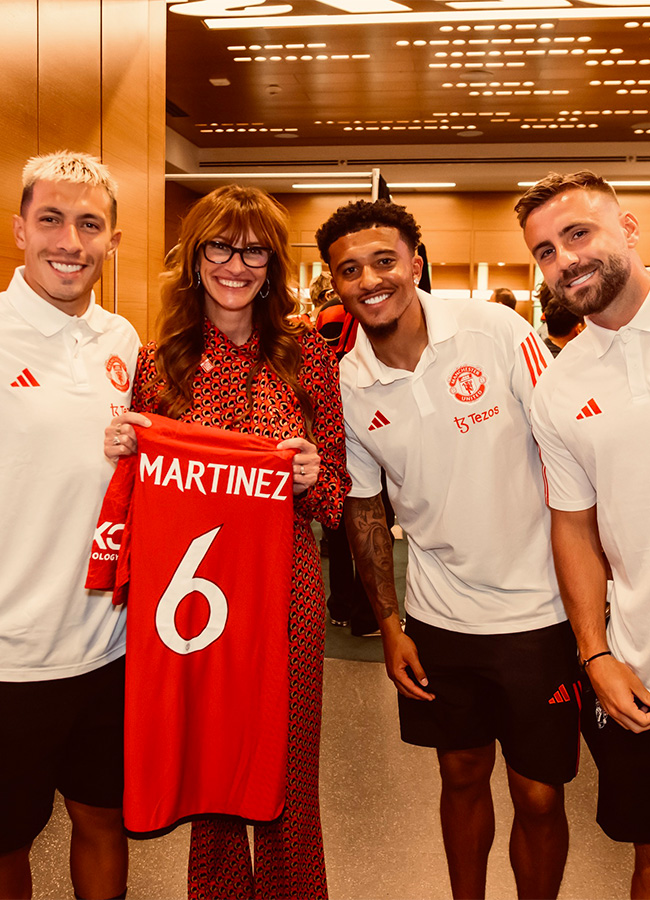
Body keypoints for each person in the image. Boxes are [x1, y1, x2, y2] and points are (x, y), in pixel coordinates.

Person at [315, 199, 581, 900]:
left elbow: (565, 444)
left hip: (541, 613)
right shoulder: (347, 383)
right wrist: (392, 624)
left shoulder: (492, 328)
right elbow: (364, 507)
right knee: (459, 776)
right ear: (334, 285)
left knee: (541, 797)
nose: (370, 279)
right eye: (349, 269)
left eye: (383, 260)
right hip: (441, 620)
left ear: (415, 263)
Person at [105, 184, 349, 900]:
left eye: (253, 251)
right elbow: (141, 496)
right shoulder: (160, 363)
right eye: (220, 245)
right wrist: (124, 446)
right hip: (193, 598)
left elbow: (334, 495)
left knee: (286, 771)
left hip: (287, 594)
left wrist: (310, 474)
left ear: (272, 266)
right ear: (195, 258)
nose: (236, 264)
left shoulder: (308, 355)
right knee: (210, 773)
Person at [0, 151, 140, 900]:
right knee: (6, 845)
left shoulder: (125, 344)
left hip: (107, 648)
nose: (70, 241)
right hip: (9, 659)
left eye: (90, 224)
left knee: (104, 822)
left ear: (112, 240)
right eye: (51, 219)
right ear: (20, 228)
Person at [517, 170, 650, 899]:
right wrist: (594, 652)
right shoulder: (560, 388)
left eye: (577, 234)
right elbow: (573, 526)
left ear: (627, 229)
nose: (563, 260)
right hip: (640, 664)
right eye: (544, 251)